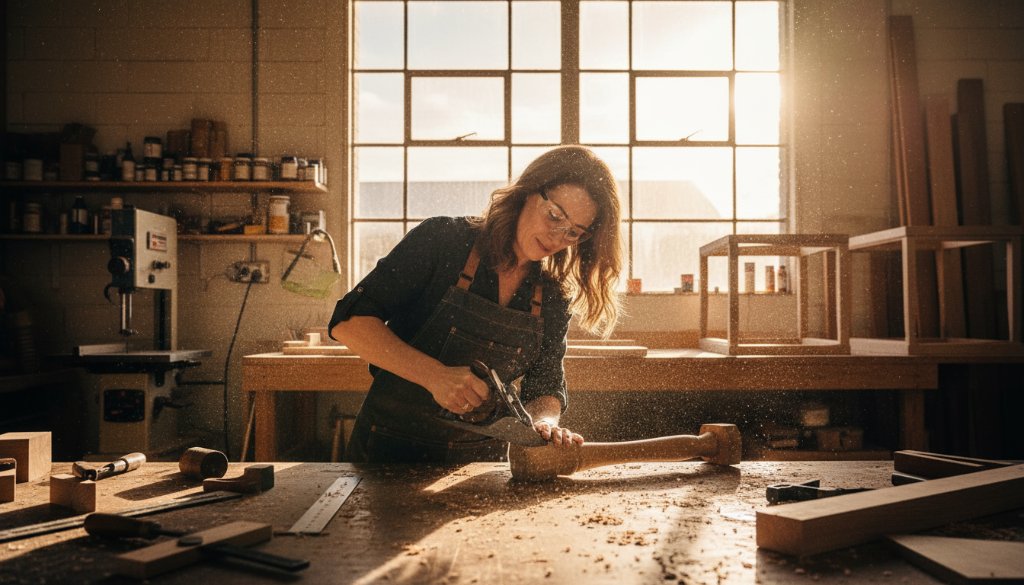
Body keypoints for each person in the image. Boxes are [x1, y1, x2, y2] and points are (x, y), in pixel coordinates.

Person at [329, 145, 622, 463]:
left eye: (573, 232)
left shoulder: (552, 295)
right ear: (527, 192)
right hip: (387, 454)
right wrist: (435, 376)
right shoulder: (442, 241)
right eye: (554, 216)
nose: (556, 237)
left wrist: (545, 425)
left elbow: (545, 383)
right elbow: (350, 322)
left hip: (481, 466)